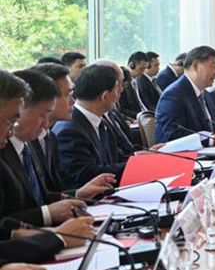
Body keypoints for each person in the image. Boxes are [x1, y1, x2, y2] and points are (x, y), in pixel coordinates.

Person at [0, 70, 88, 227]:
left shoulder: (30, 144)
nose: (46, 124)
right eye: (42, 115)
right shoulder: (4, 148)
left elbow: (40, 195)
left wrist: (76, 195)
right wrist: (48, 216)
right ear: (22, 109)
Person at [28, 64, 116, 197]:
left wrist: (78, 194)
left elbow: (53, 193)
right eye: (68, 94)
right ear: (47, 97)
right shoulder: (63, 131)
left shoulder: (48, 136)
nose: (73, 101)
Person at [52, 64, 132, 188]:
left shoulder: (99, 119)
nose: (120, 92)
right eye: (117, 88)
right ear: (104, 96)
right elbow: (86, 174)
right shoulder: (69, 130)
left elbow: (116, 158)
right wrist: (136, 166)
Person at [155, 45, 215, 145]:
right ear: (195, 66)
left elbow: (214, 126)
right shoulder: (173, 95)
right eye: (214, 67)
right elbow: (172, 135)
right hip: (184, 158)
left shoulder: (206, 94)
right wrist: (211, 140)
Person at [120, 52, 151, 117]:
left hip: (145, 116)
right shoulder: (122, 83)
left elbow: (144, 104)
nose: (143, 72)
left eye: (144, 69)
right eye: (141, 69)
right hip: (136, 118)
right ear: (131, 65)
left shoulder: (137, 81)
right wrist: (140, 116)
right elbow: (121, 109)